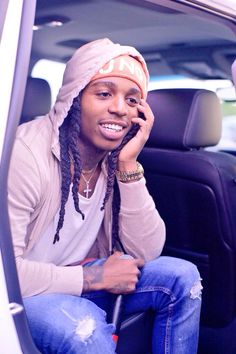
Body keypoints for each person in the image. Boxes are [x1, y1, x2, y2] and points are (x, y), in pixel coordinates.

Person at [8, 38, 202, 354]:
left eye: (132, 100)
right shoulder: (25, 155)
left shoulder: (112, 159)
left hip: (77, 274)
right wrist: (94, 277)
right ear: (74, 98)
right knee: (81, 328)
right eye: (103, 93)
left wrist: (128, 165)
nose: (119, 108)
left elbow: (147, 251)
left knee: (182, 277)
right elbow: (5, 277)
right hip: (22, 295)